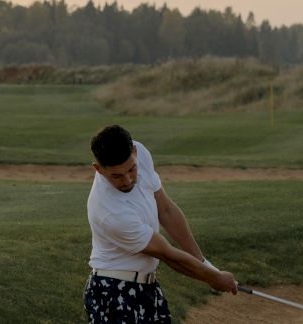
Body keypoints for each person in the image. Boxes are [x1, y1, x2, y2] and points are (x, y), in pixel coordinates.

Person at [84, 124, 238, 323]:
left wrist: (205, 265)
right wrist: (213, 278)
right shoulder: (110, 212)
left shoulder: (141, 154)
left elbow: (166, 210)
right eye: (117, 176)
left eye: (132, 169)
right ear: (98, 169)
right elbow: (169, 255)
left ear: (135, 151)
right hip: (112, 292)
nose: (128, 180)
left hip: (147, 287)